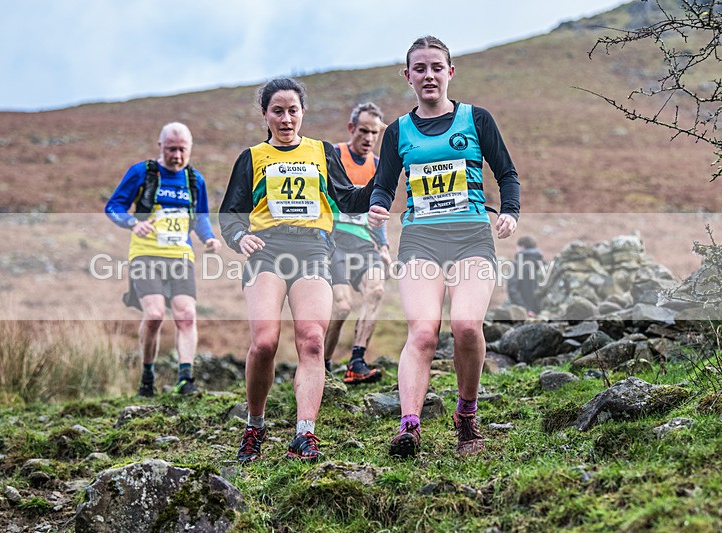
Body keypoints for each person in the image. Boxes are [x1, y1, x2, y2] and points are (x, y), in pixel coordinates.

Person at [368, 36, 520, 458]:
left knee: (467, 326)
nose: (429, 75)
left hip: (472, 236)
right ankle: (410, 426)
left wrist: (509, 211)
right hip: (421, 239)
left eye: (437, 67)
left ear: (450, 72)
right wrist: (377, 207)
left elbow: (507, 172)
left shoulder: (476, 119)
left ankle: (466, 415)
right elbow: (384, 185)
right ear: (408, 76)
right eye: (420, 68)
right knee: (422, 331)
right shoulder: (398, 130)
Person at [220, 78, 371, 463]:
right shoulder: (251, 157)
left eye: (293, 110)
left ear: (303, 112)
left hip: (313, 250)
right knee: (265, 342)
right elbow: (230, 214)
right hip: (267, 252)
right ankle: (255, 426)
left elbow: (348, 198)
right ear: (266, 114)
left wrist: (382, 184)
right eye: (277, 111)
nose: (286, 119)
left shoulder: (321, 152)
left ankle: (305, 434)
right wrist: (240, 238)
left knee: (313, 342)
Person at [105, 122, 221, 397]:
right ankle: (147, 375)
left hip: (180, 256)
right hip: (145, 255)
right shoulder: (142, 173)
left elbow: (200, 217)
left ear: (190, 148)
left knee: (186, 314)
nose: (177, 156)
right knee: (155, 314)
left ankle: (186, 379)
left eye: (182, 150)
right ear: (160, 147)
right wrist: (133, 222)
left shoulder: (195, 180)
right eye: (171, 149)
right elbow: (113, 207)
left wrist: (208, 238)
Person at [324, 102, 390, 384]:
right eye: (363, 131)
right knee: (342, 306)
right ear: (352, 128)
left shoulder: (377, 165)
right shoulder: (334, 155)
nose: (369, 138)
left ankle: (357, 361)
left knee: (375, 290)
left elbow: (378, 209)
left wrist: (384, 245)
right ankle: (322, 365)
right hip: (334, 240)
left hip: (364, 242)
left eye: (374, 133)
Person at [507, 236, 544, 316]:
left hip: (526, 313)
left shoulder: (517, 265)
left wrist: (525, 309)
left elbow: (512, 290)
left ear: (521, 247)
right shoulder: (544, 264)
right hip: (544, 311)